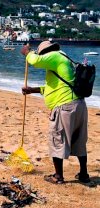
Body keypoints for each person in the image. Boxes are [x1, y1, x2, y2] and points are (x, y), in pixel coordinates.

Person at [20, 41, 90, 184]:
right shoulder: (63, 59)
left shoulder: (55, 56)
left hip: (65, 107)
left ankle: (58, 176)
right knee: (79, 141)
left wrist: (27, 52)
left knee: (57, 139)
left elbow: (35, 61)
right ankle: (84, 174)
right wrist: (33, 90)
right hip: (78, 105)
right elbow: (56, 87)